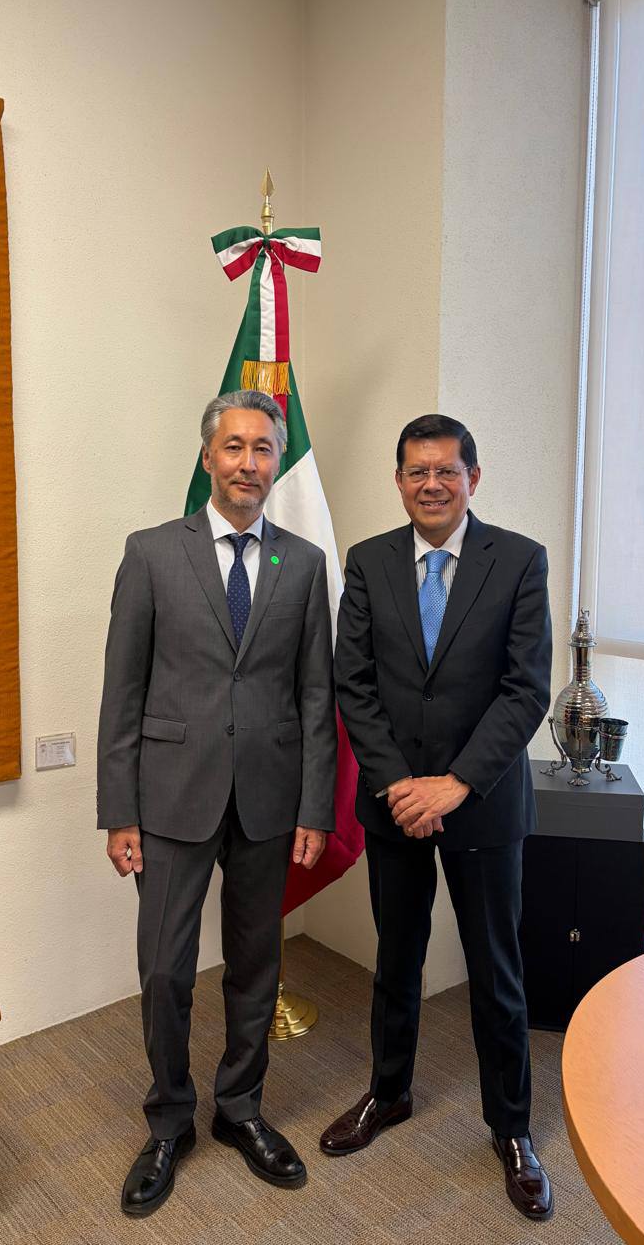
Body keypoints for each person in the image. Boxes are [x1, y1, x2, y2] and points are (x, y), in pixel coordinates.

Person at [97, 389, 336, 1218]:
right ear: (207, 458)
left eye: (263, 449)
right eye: (233, 447)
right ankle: (169, 1123)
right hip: (169, 798)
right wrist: (118, 811)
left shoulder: (304, 562)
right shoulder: (152, 553)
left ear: (276, 462)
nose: (248, 463)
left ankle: (239, 1109)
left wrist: (316, 807)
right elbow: (122, 691)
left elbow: (315, 695)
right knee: (165, 969)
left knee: (256, 966)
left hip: (270, 798)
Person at [320, 413, 554, 1221]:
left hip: (481, 804)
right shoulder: (368, 562)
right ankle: (388, 1092)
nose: (432, 484)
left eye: (446, 471)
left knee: (496, 971)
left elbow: (525, 690)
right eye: (417, 471)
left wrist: (454, 784)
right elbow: (355, 683)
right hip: (395, 807)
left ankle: (512, 1129)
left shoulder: (519, 560)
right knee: (397, 959)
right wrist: (399, 786)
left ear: (472, 479)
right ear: (399, 481)